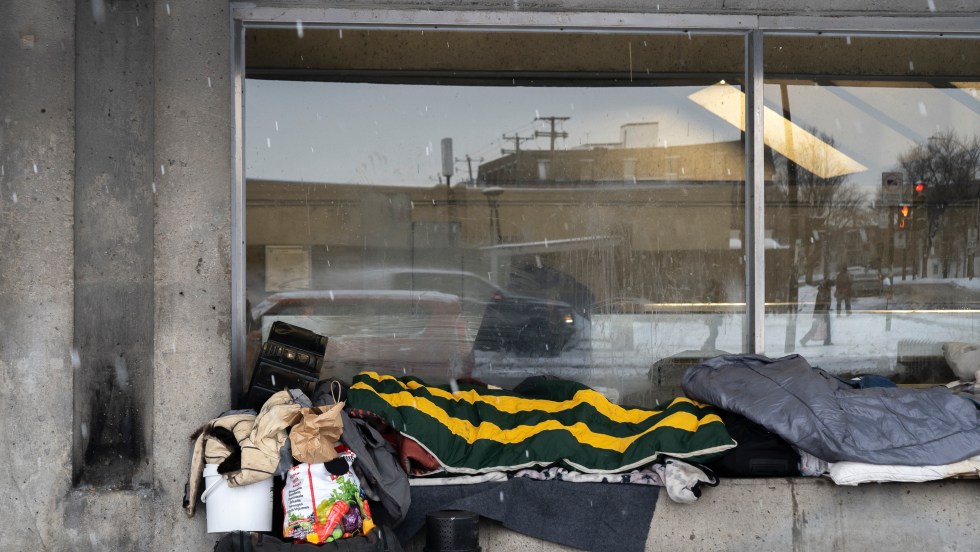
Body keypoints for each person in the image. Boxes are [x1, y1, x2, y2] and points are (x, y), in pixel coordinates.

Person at [800, 280, 833, 346]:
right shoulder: (824, 291)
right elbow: (823, 302)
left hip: (823, 311)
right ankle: (804, 340)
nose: (831, 287)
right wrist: (824, 309)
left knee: (824, 326)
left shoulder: (824, 290)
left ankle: (827, 341)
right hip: (822, 311)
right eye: (830, 286)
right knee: (820, 327)